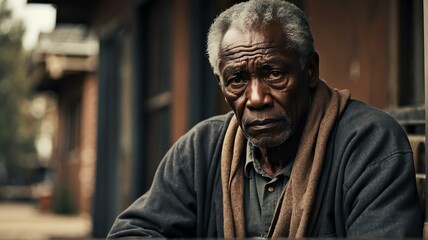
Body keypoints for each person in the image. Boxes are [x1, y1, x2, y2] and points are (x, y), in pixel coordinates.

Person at [108, 0, 422, 238]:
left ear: (309, 71)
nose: (256, 98)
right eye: (237, 80)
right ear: (222, 85)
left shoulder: (369, 143)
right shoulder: (201, 149)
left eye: (273, 74)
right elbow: (133, 232)